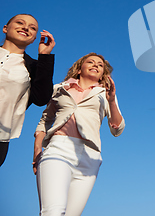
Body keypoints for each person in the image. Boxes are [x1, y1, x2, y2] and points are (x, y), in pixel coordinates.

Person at [33, 53, 125, 216]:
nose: (96, 65)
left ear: (103, 73)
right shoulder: (59, 89)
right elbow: (45, 120)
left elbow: (117, 129)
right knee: (53, 211)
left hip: (90, 156)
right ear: (78, 68)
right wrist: (37, 150)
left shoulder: (105, 94)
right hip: (58, 148)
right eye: (90, 62)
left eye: (100, 65)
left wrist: (111, 101)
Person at [0, 13, 55, 167]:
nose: (26, 28)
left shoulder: (33, 67)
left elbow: (41, 99)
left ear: (34, 38)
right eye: (20, 23)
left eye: (33, 28)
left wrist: (44, 56)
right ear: (5, 28)